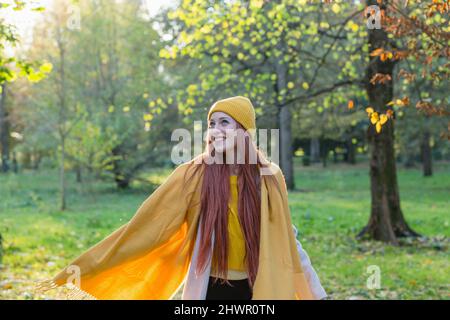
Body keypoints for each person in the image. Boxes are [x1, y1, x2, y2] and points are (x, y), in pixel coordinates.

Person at [35, 96, 326, 300]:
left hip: (258, 285)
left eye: (225, 123)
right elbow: (147, 228)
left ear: (244, 131)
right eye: (212, 124)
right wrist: (88, 266)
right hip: (212, 287)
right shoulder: (194, 175)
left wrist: (315, 292)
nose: (215, 130)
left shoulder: (269, 177)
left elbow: (287, 240)